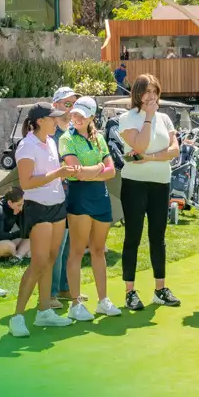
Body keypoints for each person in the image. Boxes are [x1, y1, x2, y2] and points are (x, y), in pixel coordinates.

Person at [9, 103, 76, 336]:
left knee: (50, 259)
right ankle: (17, 317)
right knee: (38, 262)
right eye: (52, 118)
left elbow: (51, 175)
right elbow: (26, 182)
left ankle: (44, 311)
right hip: (38, 207)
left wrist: (64, 172)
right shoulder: (26, 146)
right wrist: (58, 173)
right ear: (39, 121)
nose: (56, 121)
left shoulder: (51, 142)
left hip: (57, 204)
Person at [118, 74, 181, 309]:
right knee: (133, 237)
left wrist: (151, 157)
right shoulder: (128, 118)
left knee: (158, 237)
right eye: (147, 92)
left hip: (161, 183)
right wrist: (148, 118)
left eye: (155, 91)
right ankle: (130, 292)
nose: (152, 96)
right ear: (138, 94)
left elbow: (174, 150)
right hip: (134, 184)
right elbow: (139, 145)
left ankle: (160, 289)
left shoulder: (165, 119)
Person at [58, 96, 120, 320]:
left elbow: (111, 172)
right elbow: (77, 172)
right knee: (76, 251)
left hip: (100, 197)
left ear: (92, 117)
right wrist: (99, 167)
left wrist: (91, 171)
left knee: (98, 250)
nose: (77, 118)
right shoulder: (66, 138)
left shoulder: (99, 138)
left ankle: (103, 301)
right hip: (80, 197)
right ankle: (75, 304)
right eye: (75, 114)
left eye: (82, 115)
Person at [49, 86, 80, 305]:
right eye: (68, 104)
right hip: (55, 195)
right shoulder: (50, 134)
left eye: (74, 104)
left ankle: (64, 288)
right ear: (56, 105)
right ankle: (50, 293)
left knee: (71, 243)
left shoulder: (74, 133)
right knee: (57, 246)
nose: (72, 109)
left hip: (74, 192)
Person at [0, 186, 29, 262]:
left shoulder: (16, 209)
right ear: (9, 202)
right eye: (19, 205)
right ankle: (18, 254)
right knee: (9, 246)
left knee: (29, 237)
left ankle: (17, 257)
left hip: (3, 241)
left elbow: (24, 229)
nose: (21, 208)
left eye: (22, 204)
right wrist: (20, 233)